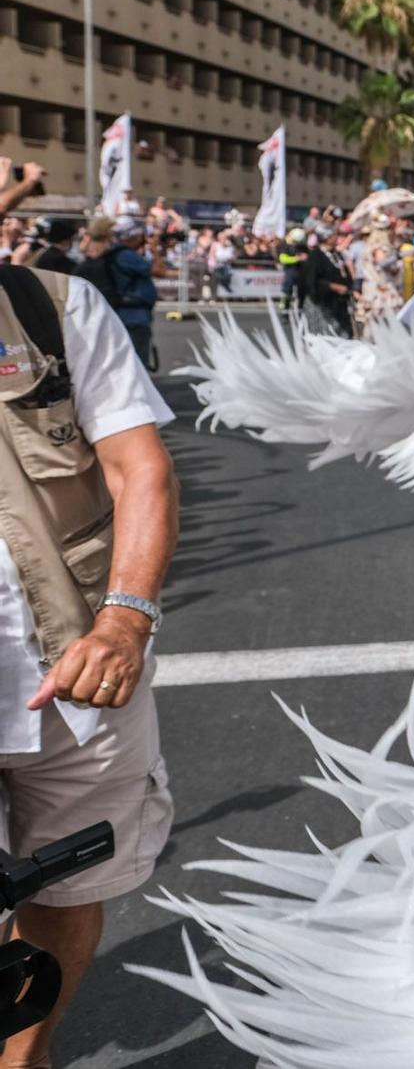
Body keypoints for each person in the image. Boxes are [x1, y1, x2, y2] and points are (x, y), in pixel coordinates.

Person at [0, 261, 177, 1067]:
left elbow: (139, 467)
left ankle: (26, 1058)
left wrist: (124, 620)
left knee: (67, 893)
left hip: (73, 669)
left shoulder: (54, 307)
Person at [75, 217, 161, 368]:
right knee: (138, 365)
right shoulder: (124, 255)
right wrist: (153, 247)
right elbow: (159, 270)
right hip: (135, 317)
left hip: (115, 315)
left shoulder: (100, 255)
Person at [297, 232, 354, 337]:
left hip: (337, 303)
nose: (336, 238)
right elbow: (310, 280)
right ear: (326, 238)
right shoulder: (315, 256)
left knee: (343, 334)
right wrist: (331, 286)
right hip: (321, 303)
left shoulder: (336, 255)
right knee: (324, 334)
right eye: (333, 236)